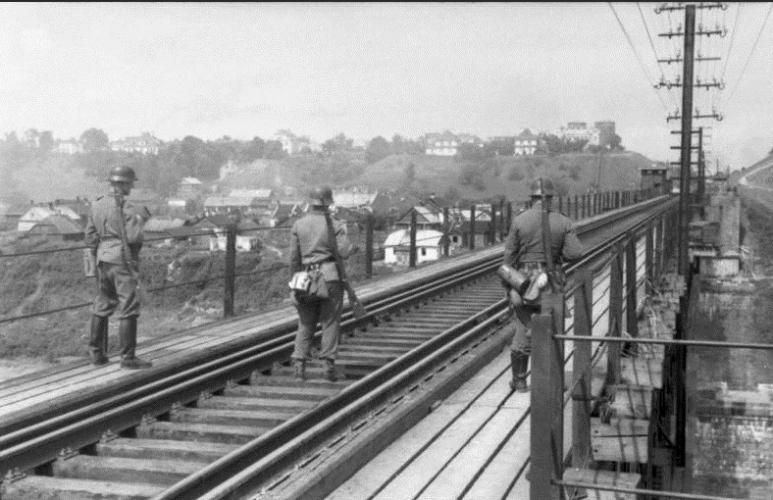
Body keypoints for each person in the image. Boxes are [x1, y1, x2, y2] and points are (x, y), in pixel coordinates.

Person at [502, 178, 583, 392]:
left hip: (524, 283)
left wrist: (509, 288)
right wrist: (558, 255)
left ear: (533, 199)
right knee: (553, 328)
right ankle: (551, 379)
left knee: (523, 328)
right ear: (550, 198)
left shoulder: (520, 221)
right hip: (552, 281)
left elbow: (508, 259)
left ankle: (519, 380)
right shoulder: (563, 222)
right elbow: (575, 253)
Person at [84, 165, 152, 369]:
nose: (131, 186)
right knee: (129, 306)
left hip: (102, 259)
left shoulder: (96, 205)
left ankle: (96, 354)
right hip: (122, 259)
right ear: (121, 183)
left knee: (103, 303)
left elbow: (89, 235)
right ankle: (128, 358)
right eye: (130, 183)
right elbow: (133, 237)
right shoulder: (127, 207)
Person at [289, 186, 357, 382]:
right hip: (330, 278)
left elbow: (293, 259)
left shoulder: (298, 225)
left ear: (311, 202)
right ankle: (328, 365)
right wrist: (353, 248)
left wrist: (293, 285)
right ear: (328, 202)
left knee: (305, 322)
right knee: (330, 322)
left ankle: (299, 365)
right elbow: (344, 252)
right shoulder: (335, 224)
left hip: (305, 279)